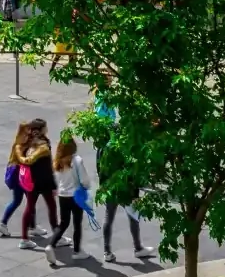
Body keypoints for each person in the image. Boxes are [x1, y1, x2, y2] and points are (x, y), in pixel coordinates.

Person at [93, 95, 153, 263]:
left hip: (109, 187)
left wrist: (103, 185)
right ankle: (138, 248)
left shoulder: (103, 150)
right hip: (126, 188)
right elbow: (133, 170)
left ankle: (107, 251)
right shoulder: (125, 150)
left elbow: (99, 169)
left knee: (108, 217)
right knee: (133, 216)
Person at [15, 119, 60, 250]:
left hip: (32, 180)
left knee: (30, 208)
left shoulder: (28, 142)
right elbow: (46, 166)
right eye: (45, 127)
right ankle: (57, 235)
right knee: (51, 207)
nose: (47, 129)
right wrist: (53, 184)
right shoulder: (43, 145)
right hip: (43, 181)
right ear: (40, 130)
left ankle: (24, 238)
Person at [49, 132, 92, 266]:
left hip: (63, 195)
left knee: (64, 222)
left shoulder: (58, 161)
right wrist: (86, 187)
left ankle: (50, 245)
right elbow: (84, 179)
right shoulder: (77, 160)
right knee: (77, 223)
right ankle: (77, 251)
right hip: (76, 195)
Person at [0, 122, 33, 237]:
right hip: (21, 176)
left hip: (19, 176)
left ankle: (32, 225)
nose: (30, 132)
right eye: (28, 130)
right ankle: (32, 226)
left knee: (20, 201)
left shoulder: (19, 142)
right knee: (28, 200)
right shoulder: (21, 144)